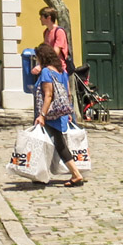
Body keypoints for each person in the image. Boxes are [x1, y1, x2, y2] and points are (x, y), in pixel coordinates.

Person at [33, 42, 84, 187]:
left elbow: (48, 95)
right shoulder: (62, 72)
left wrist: (42, 115)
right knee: (54, 143)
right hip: (60, 113)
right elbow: (66, 93)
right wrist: (67, 112)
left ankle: (76, 174)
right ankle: (39, 174)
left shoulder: (46, 72)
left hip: (49, 115)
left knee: (54, 143)